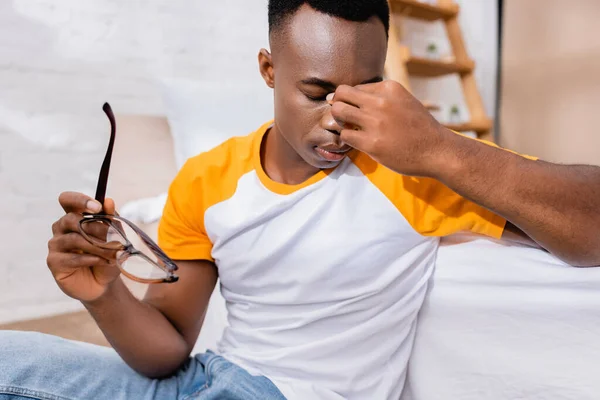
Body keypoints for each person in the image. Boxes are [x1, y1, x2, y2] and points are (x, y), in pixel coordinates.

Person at [2, 1, 600, 399]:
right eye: (315, 92)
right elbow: (167, 352)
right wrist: (104, 294)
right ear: (269, 70)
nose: (339, 120)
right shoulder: (207, 180)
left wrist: (441, 148)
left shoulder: (416, 170)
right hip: (206, 382)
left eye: (361, 92)